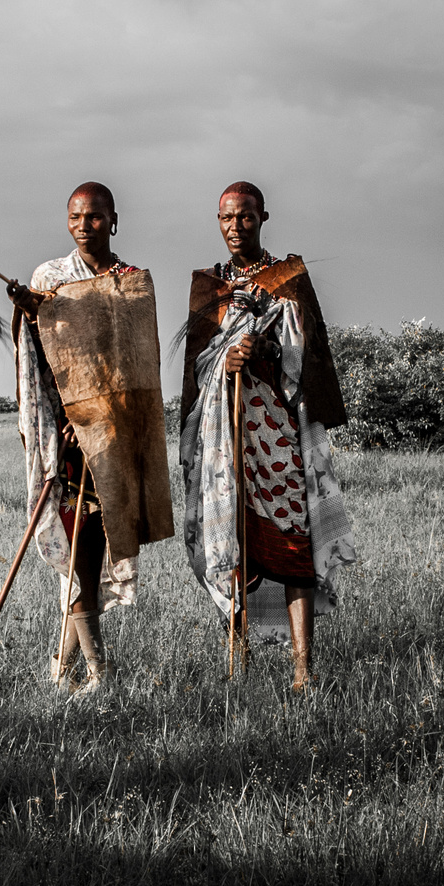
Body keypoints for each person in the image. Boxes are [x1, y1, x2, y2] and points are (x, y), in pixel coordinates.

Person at [179, 181, 356, 690]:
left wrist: (268, 352)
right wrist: (225, 358)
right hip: (225, 437)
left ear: (263, 218)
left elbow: (311, 356)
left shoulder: (287, 279)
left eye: (246, 217)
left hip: (278, 432)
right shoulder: (208, 287)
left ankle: (303, 670)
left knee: (293, 543)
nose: (236, 227)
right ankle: (240, 662)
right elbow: (197, 369)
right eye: (227, 218)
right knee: (233, 542)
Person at [5, 182, 143, 693]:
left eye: (95, 216)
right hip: (63, 444)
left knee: (91, 552)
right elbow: (40, 357)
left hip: (108, 437)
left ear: (114, 220)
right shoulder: (50, 278)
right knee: (79, 554)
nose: (85, 225)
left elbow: (134, 367)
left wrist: (94, 416)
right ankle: (95, 676)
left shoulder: (129, 282)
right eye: (76, 217)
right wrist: (27, 311)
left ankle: (65, 673)